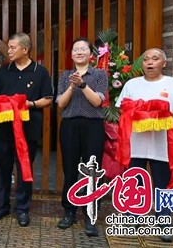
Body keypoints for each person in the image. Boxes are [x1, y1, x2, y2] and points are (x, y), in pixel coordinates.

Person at [115, 48, 173, 243]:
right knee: (134, 182)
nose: (149, 62)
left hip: (162, 145)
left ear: (163, 63)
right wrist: (137, 111)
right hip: (136, 143)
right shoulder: (132, 84)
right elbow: (121, 108)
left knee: (164, 184)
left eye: (155, 59)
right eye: (146, 59)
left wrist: (160, 114)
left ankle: (164, 221)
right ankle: (133, 216)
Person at [0, 33, 53, 227]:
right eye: (9, 47)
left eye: (12, 47)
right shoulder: (3, 72)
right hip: (3, 130)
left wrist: (28, 104)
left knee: (24, 170)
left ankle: (22, 209)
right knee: (3, 170)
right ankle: (2, 206)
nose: (9, 51)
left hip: (28, 130)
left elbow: (48, 99)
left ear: (25, 49)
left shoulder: (40, 72)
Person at [56, 37, 108, 236]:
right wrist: (72, 86)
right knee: (69, 170)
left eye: (83, 49)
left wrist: (83, 85)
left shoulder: (99, 75)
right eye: (75, 49)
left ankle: (90, 216)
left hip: (93, 126)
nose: (79, 52)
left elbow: (97, 102)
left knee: (92, 172)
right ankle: (69, 212)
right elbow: (60, 104)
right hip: (69, 125)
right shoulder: (65, 76)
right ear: (71, 55)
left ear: (90, 54)